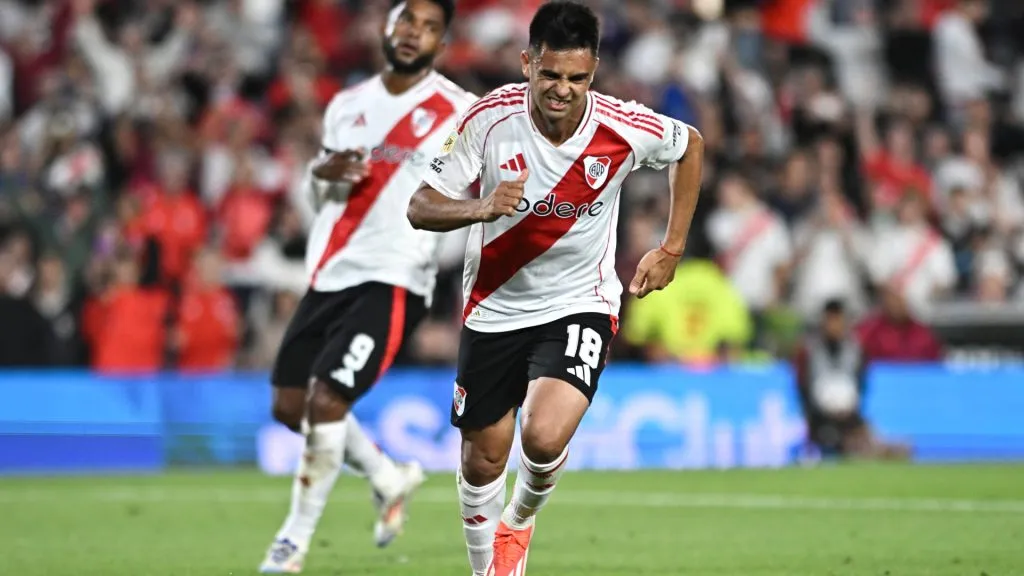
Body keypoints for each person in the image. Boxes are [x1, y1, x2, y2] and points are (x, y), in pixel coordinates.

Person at [406, 2, 704, 574]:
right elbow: (420, 206)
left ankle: (518, 521)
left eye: (577, 78)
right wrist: (480, 207)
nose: (563, 90)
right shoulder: (486, 120)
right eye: (550, 75)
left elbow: (689, 145)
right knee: (482, 461)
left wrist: (672, 247)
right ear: (527, 63)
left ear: (593, 71)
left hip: (579, 303)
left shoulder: (622, 125)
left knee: (542, 438)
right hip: (494, 308)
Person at [259, 0, 476, 572]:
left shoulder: (460, 111)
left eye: (429, 28)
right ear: (386, 27)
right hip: (331, 271)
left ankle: (293, 542)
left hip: (395, 275)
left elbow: (479, 197)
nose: (414, 34)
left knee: (328, 399)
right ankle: (388, 475)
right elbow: (321, 195)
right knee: (289, 406)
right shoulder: (347, 105)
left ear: (442, 44)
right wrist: (319, 174)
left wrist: (450, 259)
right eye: (407, 21)